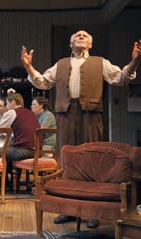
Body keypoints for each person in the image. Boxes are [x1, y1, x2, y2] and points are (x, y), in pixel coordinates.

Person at [21, 30, 141, 228]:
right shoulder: (60, 64)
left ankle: (92, 210)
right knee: (65, 157)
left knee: (92, 159)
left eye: (85, 35)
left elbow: (120, 78)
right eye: (77, 35)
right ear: (70, 44)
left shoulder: (100, 62)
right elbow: (43, 82)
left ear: (91, 44)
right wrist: (28, 67)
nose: (81, 36)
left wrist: (134, 61)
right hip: (65, 113)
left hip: (91, 113)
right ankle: (67, 209)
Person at [0, 93, 40, 173]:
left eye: (7, 104)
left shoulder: (12, 112)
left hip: (24, 151)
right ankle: (13, 182)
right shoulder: (31, 113)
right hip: (38, 151)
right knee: (9, 150)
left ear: (13, 102)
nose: (6, 107)